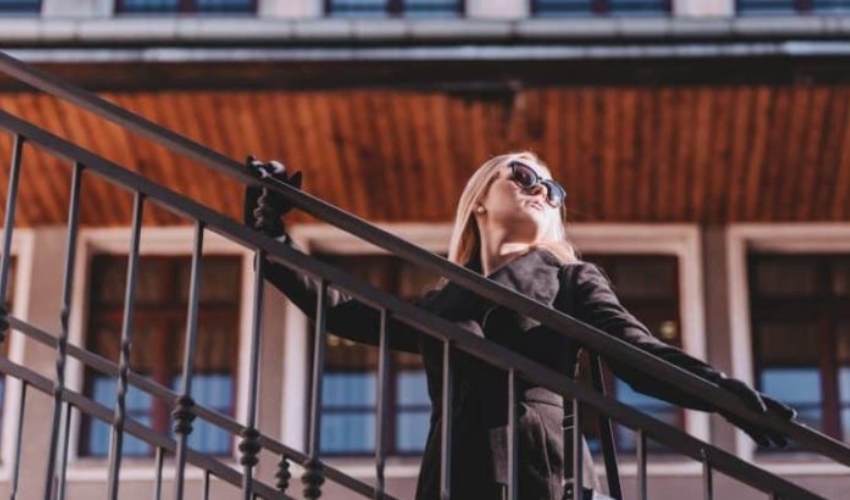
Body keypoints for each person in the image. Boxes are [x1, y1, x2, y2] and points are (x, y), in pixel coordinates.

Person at [244, 151, 796, 500]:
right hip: (455, 480)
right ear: (478, 201)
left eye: (553, 190)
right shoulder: (443, 302)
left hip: (542, 476)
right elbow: (343, 310)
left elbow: (637, 354)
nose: (542, 190)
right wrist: (271, 234)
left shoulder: (569, 278)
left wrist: (725, 395)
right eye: (526, 175)